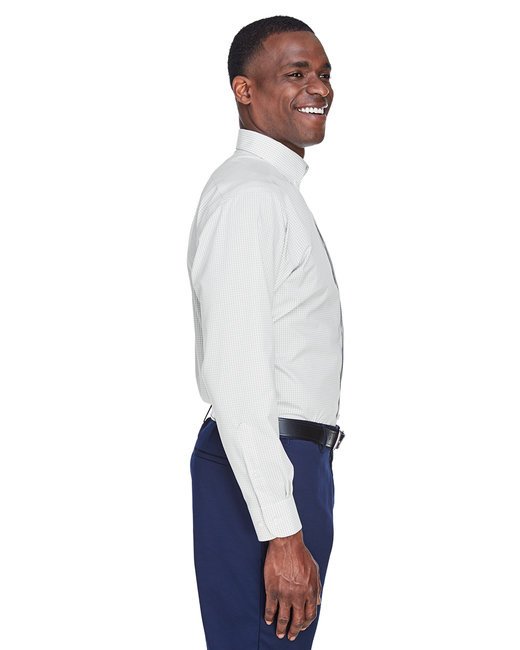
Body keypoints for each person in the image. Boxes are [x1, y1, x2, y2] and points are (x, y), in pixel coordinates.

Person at [186, 15, 345, 649]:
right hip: (263, 466)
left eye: (324, 73)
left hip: (286, 463)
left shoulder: (272, 192)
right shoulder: (250, 196)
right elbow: (237, 372)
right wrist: (282, 530)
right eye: (296, 73)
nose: (319, 87)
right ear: (244, 90)